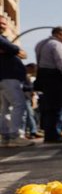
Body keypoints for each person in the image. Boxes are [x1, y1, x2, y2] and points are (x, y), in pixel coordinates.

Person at [35, 26, 62, 143]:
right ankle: (55, 134)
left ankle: (49, 134)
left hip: (44, 77)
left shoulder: (40, 44)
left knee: (49, 108)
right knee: (58, 107)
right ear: (59, 34)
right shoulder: (57, 45)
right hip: (56, 77)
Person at [0, 15, 34, 147]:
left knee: (5, 109)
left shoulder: (4, 40)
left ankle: (6, 137)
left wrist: (14, 51)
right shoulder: (2, 40)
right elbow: (18, 51)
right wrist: (15, 50)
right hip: (8, 78)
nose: (2, 25)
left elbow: (20, 53)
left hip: (6, 78)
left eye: (3, 23)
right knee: (18, 105)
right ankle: (15, 135)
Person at [22, 63, 39, 139]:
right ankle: (32, 131)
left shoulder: (26, 76)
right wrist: (31, 88)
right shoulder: (22, 75)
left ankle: (29, 131)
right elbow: (23, 86)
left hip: (27, 97)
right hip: (24, 97)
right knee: (28, 114)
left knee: (28, 115)